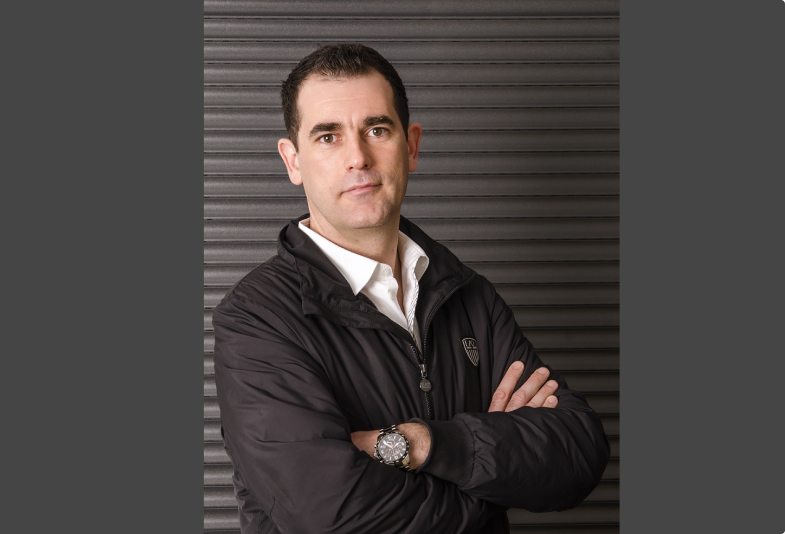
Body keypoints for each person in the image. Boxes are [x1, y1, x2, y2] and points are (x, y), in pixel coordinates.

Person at [213, 43, 610, 534]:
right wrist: (489, 490)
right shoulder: (256, 319)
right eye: (328, 137)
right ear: (293, 161)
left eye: (377, 130)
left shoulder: (469, 297)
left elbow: (578, 453)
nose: (358, 157)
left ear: (412, 146)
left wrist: (425, 444)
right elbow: (332, 516)